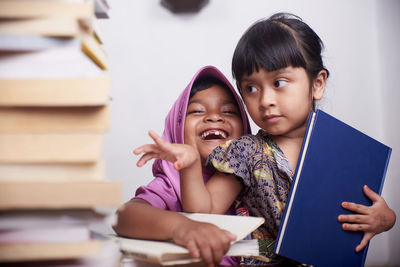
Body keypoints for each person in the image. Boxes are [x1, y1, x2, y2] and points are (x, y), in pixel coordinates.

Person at [135, 13, 396, 265]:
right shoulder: (244, 152)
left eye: (279, 82)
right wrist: (191, 165)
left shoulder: (344, 148)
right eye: (251, 88)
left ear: (317, 84)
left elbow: (359, 213)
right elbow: (206, 213)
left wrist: (386, 219)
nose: (265, 100)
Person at [113, 65, 252, 267]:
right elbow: (124, 216)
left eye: (229, 111)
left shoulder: (256, 172)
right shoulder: (172, 182)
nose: (214, 117)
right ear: (176, 128)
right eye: (197, 111)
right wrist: (182, 228)